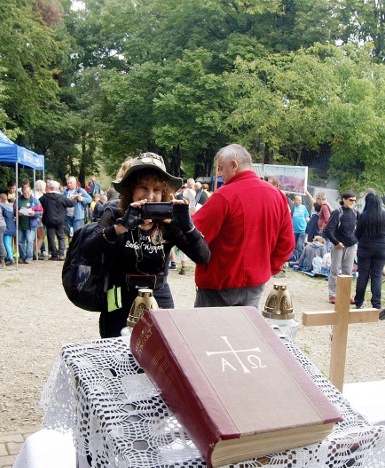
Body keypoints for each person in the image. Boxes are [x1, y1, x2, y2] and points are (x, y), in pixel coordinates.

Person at [81, 152, 210, 337]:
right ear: (131, 190)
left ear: (164, 192)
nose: (150, 196)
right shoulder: (115, 213)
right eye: (143, 188)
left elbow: (203, 257)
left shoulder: (168, 221)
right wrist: (120, 227)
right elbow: (87, 251)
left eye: (157, 190)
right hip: (119, 296)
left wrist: (187, 226)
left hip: (158, 295)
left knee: (162, 354)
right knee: (117, 353)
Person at [192, 143, 293, 308]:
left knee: (210, 332)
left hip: (218, 286)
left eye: (221, 168)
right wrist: (267, 269)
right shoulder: (277, 196)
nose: (219, 175)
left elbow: (195, 234)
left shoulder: (224, 196)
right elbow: (287, 243)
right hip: (254, 285)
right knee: (245, 332)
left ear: (234, 165)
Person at [353, 192, 385, 310]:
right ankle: (376, 303)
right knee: (376, 276)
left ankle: (359, 301)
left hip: (365, 248)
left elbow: (357, 234)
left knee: (363, 275)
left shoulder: (364, 216)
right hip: (382, 249)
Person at [323, 191, 359, 304]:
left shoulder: (356, 212)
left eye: (354, 200)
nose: (352, 202)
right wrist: (336, 242)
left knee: (348, 271)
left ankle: (345, 294)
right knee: (335, 269)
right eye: (350, 200)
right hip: (338, 245)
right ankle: (333, 294)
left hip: (351, 245)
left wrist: (356, 239)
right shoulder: (337, 212)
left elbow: (360, 228)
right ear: (344, 199)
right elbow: (328, 229)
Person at [40, 180, 75, 260]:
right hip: (60, 220)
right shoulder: (62, 197)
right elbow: (71, 204)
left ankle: (54, 254)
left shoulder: (45, 197)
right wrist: (73, 199)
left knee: (50, 237)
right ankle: (62, 254)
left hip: (49, 219)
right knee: (61, 236)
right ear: (57, 188)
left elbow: (39, 203)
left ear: (50, 187)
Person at [16, 181, 42, 265]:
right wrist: (17, 213)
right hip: (20, 224)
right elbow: (13, 210)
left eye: (27, 192)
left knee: (30, 241)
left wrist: (34, 214)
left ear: (30, 191)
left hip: (31, 225)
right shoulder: (18, 200)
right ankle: (22, 256)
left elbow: (41, 212)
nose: (26, 194)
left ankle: (29, 257)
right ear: (22, 191)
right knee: (20, 241)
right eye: (24, 193)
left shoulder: (35, 201)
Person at [290, 194, 310, 262]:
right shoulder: (292, 208)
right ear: (294, 200)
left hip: (302, 230)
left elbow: (307, 217)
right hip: (294, 231)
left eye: (300, 200)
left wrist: (309, 225)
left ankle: (300, 260)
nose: (300, 201)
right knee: (294, 246)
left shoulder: (303, 207)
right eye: (298, 200)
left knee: (300, 246)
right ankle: (294, 259)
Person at [0, 193, 16, 266]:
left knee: (6, 243)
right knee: (9, 243)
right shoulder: (11, 206)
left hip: (6, 226)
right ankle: (10, 256)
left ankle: (10, 257)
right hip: (12, 226)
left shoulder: (2, 207)